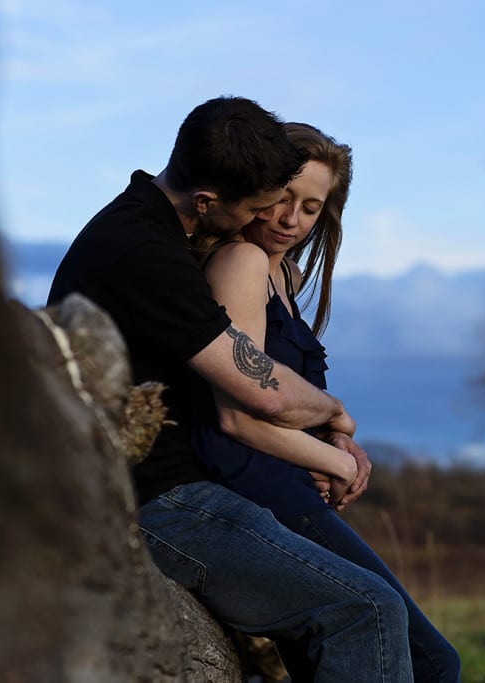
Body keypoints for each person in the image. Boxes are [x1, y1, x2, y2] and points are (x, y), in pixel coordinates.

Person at [47, 96, 414, 682]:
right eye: (257, 207)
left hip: (170, 487)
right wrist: (335, 413)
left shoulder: (147, 228)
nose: (268, 221)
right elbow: (259, 390)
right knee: (364, 610)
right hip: (151, 501)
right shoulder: (146, 253)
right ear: (207, 201)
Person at [191, 122, 461, 683]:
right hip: (254, 490)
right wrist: (335, 459)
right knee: (431, 662)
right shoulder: (240, 262)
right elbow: (241, 413)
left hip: (286, 488)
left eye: (311, 207)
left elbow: (292, 396)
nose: (292, 220)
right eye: (283, 199)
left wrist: (332, 436)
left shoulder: (283, 275)